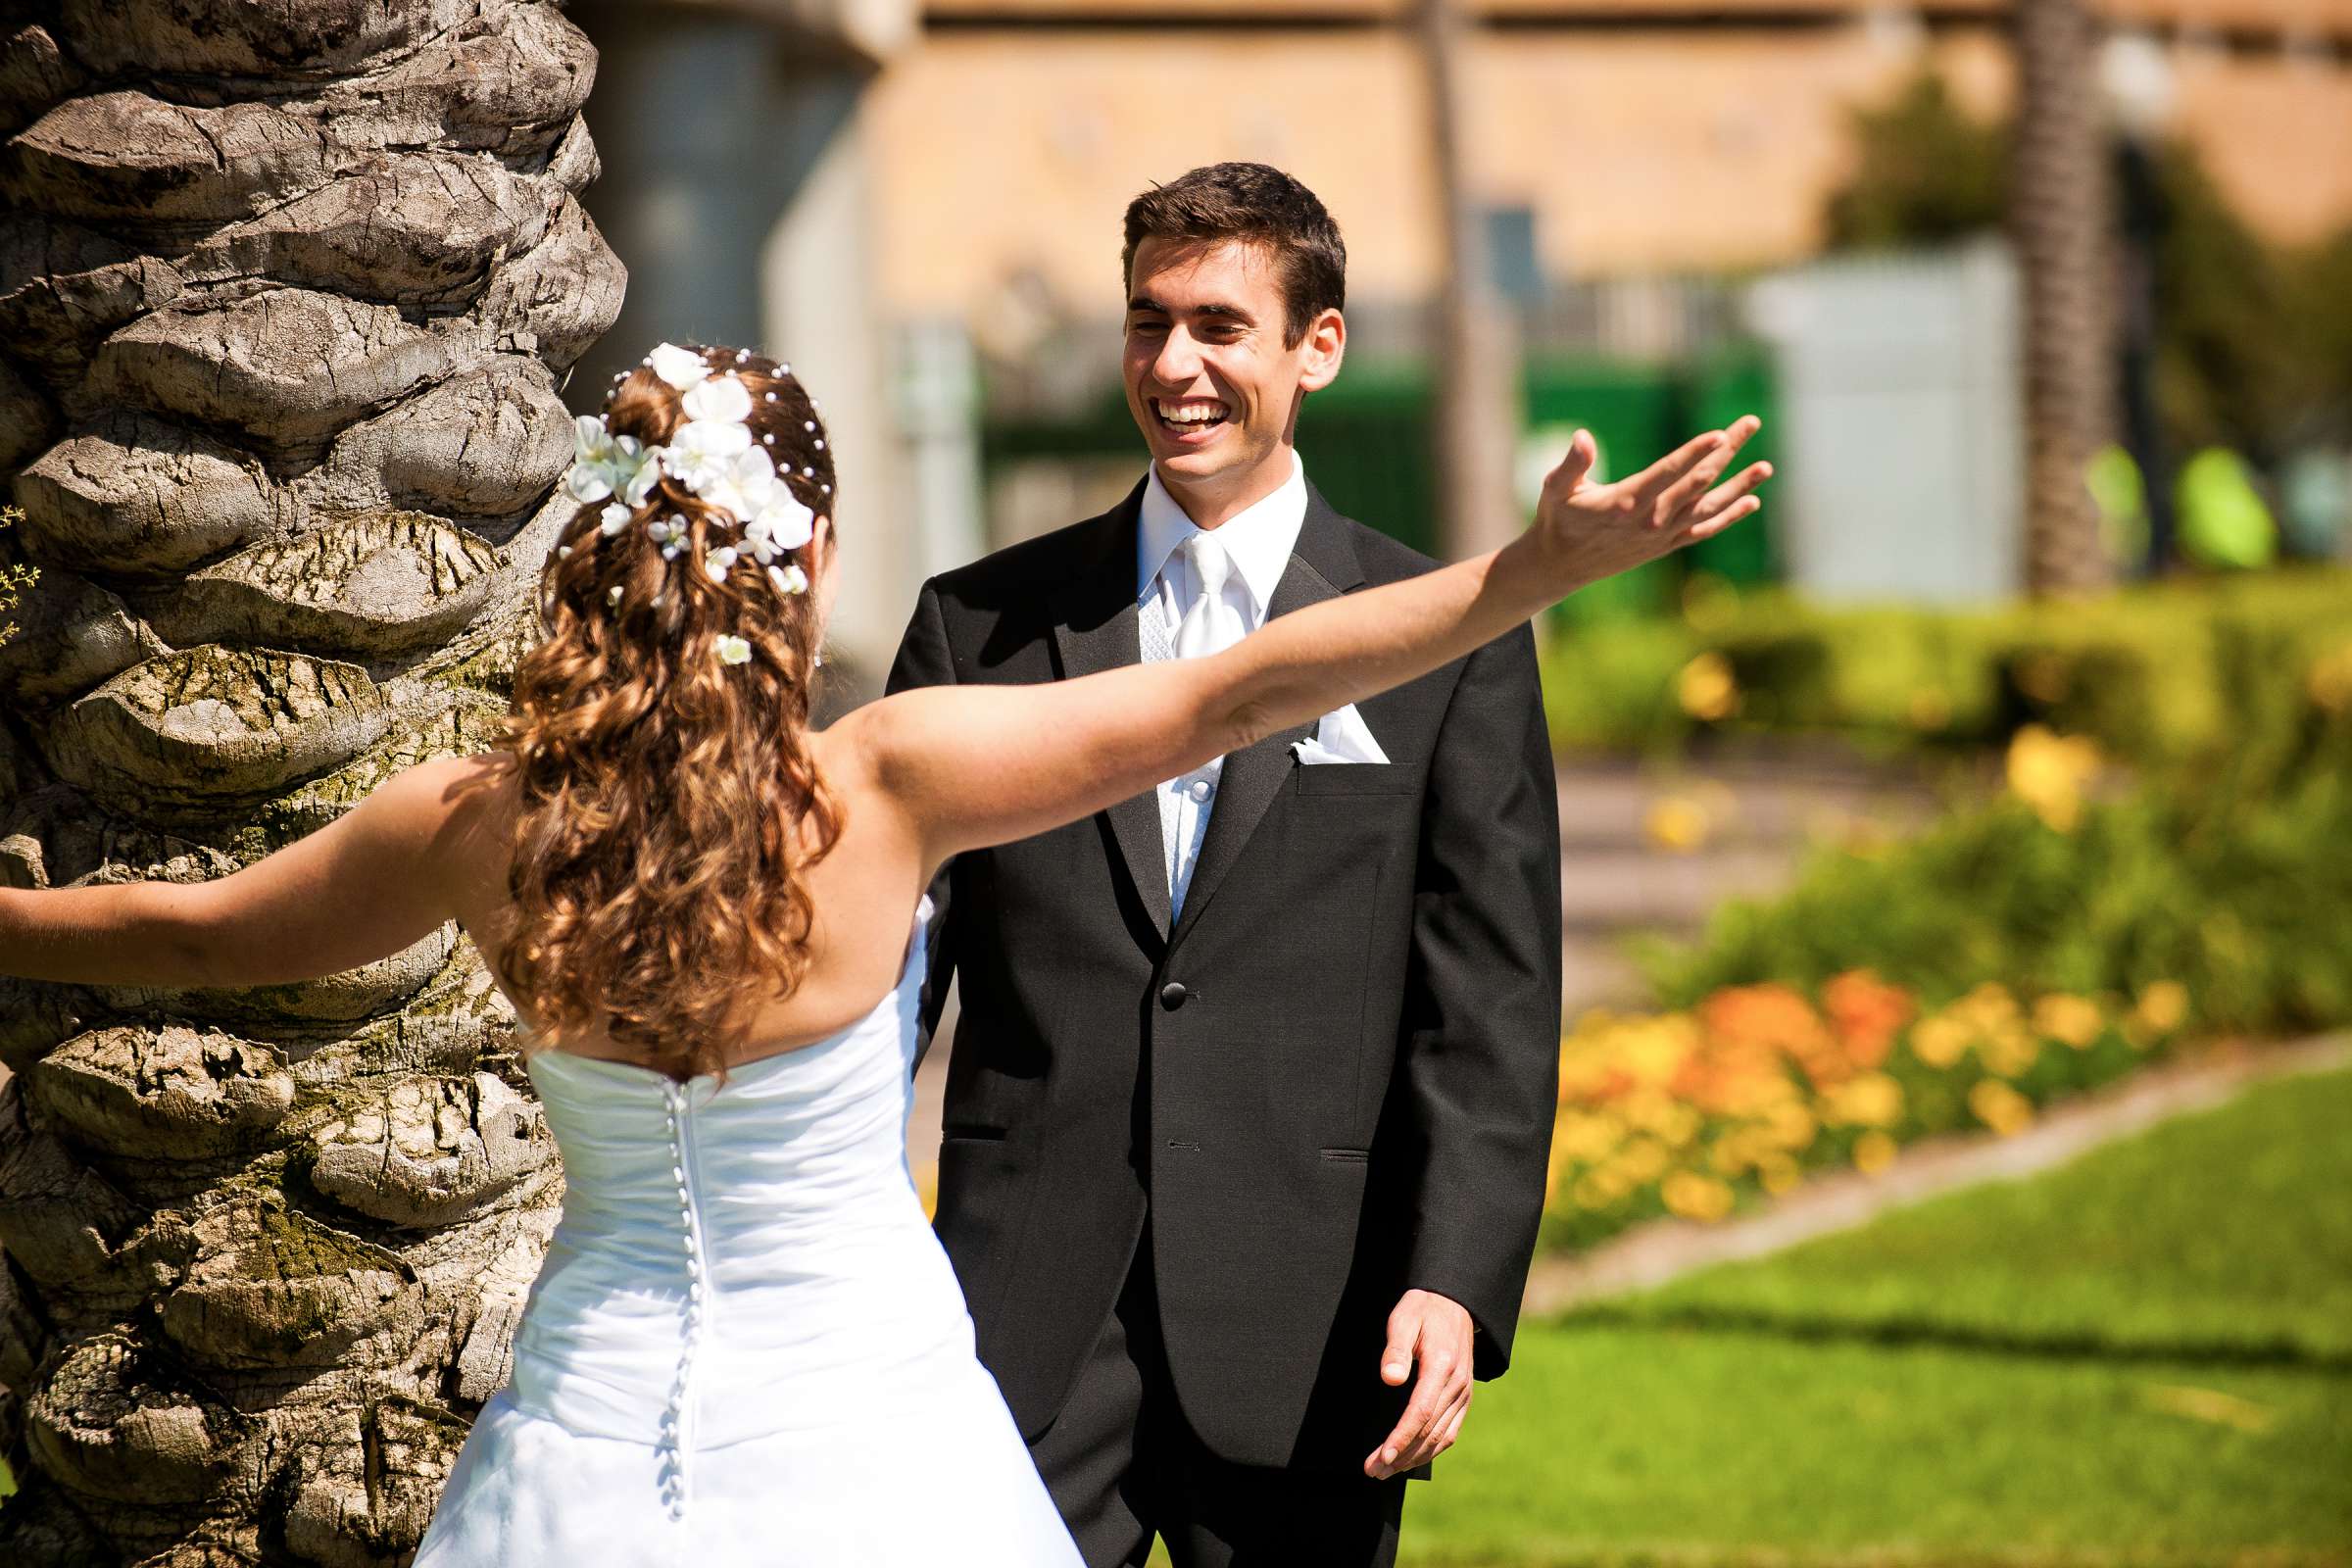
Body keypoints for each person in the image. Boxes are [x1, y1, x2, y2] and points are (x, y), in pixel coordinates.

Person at [0, 335, 1766, 1562]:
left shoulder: (481, 827)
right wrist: (1521, 574)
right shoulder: (887, 788)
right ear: (812, 557)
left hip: (587, 1442)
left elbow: (183, 933)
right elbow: (1246, 686)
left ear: (599, 561)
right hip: (870, 1432)